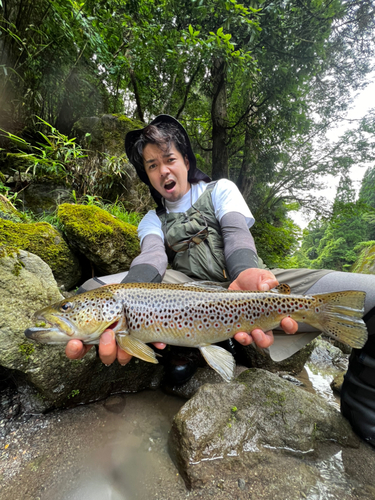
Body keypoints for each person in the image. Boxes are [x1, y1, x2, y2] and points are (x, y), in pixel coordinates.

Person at [66, 115, 375, 447]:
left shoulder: (220, 189)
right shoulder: (151, 220)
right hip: (188, 293)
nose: (163, 171)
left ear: (185, 159)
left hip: (248, 286)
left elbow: (236, 234)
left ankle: (364, 412)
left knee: (372, 295)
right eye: (152, 165)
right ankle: (185, 351)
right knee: (91, 292)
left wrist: (245, 271)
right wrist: (126, 296)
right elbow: (152, 257)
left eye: (169, 159)